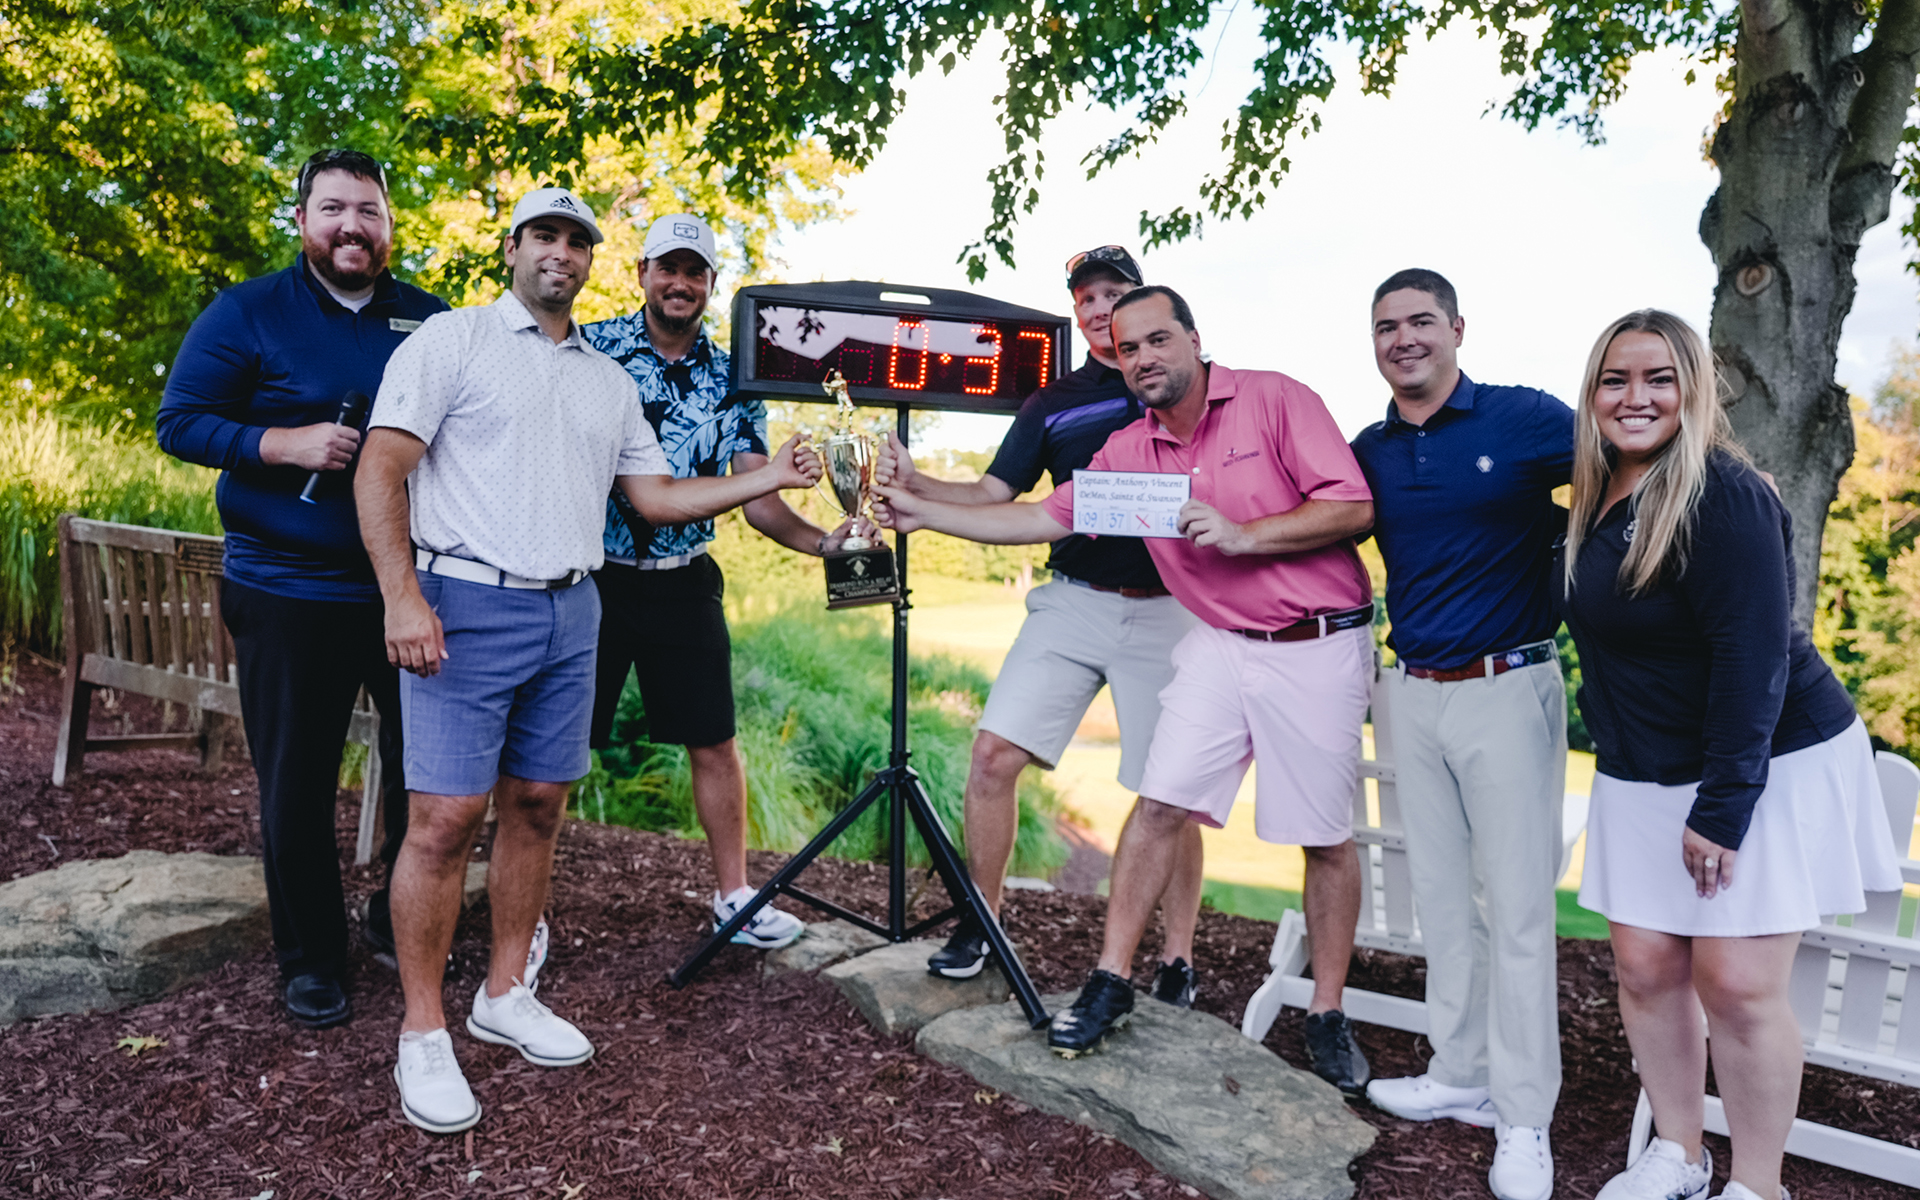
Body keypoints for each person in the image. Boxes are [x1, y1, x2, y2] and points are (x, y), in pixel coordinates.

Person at [354, 188, 820, 1135]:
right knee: (445, 821)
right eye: (545, 236)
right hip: (465, 601)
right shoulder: (453, 340)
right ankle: (424, 1032)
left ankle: (504, 993)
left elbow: (654, 498)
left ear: (594, 259)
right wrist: (402, 597)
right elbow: (380, 468)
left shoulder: (605, 380)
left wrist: (774, 475)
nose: (560, 253)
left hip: (573, 607)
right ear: (513, 247)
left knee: (538, 805)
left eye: (577, 240)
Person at [873, 285, 1379, 1092]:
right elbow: (1038, 519)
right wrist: (921, 513)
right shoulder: (1126, 453)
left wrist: (1245, 535)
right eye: (1129, 346)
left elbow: (1350, 507)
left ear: (1194, 339)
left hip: (1314, 642)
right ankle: (1110, 980)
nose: (1144, 357)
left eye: (1158, 340)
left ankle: (1326, 1012)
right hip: (1220, 642)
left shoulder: (1276, 399)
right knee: (1159, 801)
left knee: (1322, 837)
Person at [1557, 311, 1900, 1200]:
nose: (1635, 397)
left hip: (1765, 757)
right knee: (1645, 969)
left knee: (1738, 982)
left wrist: (1722, 808)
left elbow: (1753, 662)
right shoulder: (1589, 493)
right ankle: (1679, 1154)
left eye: (1659, 378)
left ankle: (1756, 1185)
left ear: (1694, 390)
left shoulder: (1724, 494)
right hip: (1641, 764)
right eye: (1615, 380)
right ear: (1592, 394)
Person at [155, 148, 447, 1030]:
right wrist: (281, 444)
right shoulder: (247, 311)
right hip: (287, 591)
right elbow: (180, 422)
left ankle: (396, 917)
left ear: (389, 225)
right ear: (303, 220)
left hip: (407, 593)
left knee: (425, 775)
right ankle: (313, 957)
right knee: (297, 783)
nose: (352, 226)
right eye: (334, 209)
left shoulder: (432, 321)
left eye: (369, 211)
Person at [874, 245, 1204, 1001]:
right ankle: (983, 922)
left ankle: (1177, 957)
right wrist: (916, 481)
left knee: (1172, 789)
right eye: (1086, 299)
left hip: (1175, 608)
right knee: (992, 757)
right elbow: (995, 493)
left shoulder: (1181, 381)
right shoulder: (1053, 402)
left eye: (1113, 293)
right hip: (1074, 601)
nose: (1098, 308)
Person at [1347, 269, 1573, 1200]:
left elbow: (1638, 464)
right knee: (1441, 898)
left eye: (1421, 322)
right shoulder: (1370, 449)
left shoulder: (1523, 419)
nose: (1404, 339)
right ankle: (1462, 1071)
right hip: (1414, 691)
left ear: (1457, 329)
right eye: (1386, 326)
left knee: (1516, 910)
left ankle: (1523, 1116)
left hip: (1507, 686)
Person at [582, 213, 861, 952]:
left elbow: (759, 497)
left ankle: (734, 898)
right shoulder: (593, 348)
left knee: (714, 742)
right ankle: (529, 912)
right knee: (557, 748)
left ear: (710, 283)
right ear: (642, 273)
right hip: (593, 581)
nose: (680, 283)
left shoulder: (734, 374)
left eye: (694, 272)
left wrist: (824, 543)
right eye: (668, 269)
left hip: (684, 583)